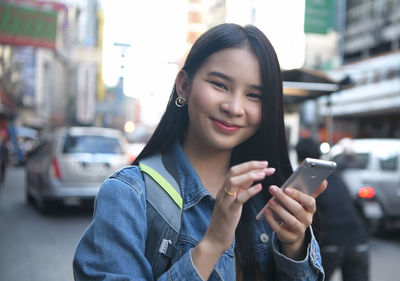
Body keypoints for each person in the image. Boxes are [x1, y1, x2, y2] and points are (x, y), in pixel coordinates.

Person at [73, 23, 326, 281]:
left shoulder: (268, 197)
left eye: (253, 95)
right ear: (183, 85)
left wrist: (294, 246)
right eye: (220, 85)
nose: (234, 107)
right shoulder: (129, 195)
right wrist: (212, 244)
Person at [296, 138, 369, 281]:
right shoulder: (334, 175)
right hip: (358, 238)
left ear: (298, 157)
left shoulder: (302, 182)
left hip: (330, 242)